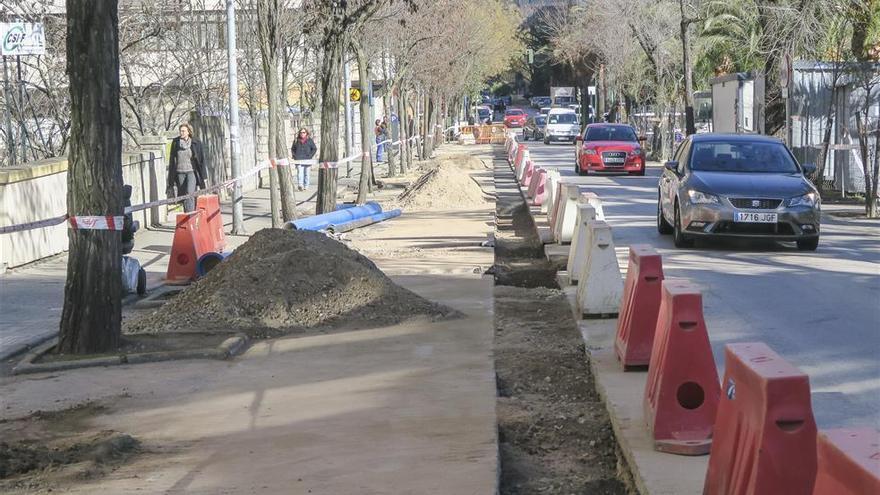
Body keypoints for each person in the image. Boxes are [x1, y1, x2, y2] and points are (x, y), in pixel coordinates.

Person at [167, 123, 206, 212]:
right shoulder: (176, 142)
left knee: (190, 193)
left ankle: (190, 215)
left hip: (192, 172)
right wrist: (171, 178)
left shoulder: (196, 142)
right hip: (180, 172)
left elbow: (202, 160)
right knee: (184, 195)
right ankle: (187, 215)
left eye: (183, 131)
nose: (181, 133)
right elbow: (172, 159)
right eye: (180, 131)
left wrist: (204, 176)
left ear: (188, 132)